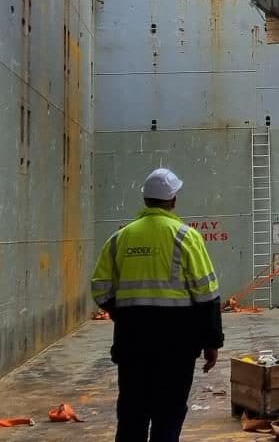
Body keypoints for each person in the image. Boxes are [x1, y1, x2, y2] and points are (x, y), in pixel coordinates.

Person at [90, 167, 223, 442]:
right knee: (169, 413)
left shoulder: (120, 238)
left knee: (132, 413)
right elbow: (207, 294)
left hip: (132, 342)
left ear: (145, 199)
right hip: (176, 346)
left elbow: (100, 288)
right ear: (173, 199)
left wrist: (122, 314)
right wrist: (212, 342)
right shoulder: (185, 237)